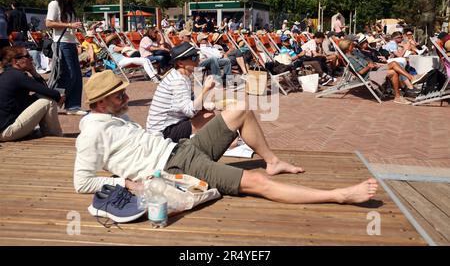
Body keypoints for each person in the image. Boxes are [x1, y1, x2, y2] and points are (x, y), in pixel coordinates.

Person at [74, 69, 379, 206]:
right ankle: (338, 195)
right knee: (257, 182)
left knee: (241, 109)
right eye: (119, 96)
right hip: (176, 169)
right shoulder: (92, 132)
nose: (127, 97)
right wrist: (124, 182)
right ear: (100, 103)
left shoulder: (115, 117)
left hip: (182, 148)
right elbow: (82, 182)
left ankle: (273, 161)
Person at [147, 43, 217, 142]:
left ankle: (202, 138)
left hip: (165, 126)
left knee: (208, 112)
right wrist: (206, 89)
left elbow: (192, 101)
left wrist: (209, 103)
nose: (198, 60)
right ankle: (200, 142)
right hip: (162, 133)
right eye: (193, 58)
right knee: (209, 116)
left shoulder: (182, 76)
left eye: (197, 56)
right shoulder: (178, 81)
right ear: (180, 63)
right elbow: (190, 111)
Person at [0, 46, 64, 142]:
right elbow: (51, 93)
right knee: (47, 101)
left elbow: (43, 91)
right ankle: (55, 136)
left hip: (3, 128)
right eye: (27, 56)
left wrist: (33, 71)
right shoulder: (18, 76)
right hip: (5, 132)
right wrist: (59, 97)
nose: (31, 58)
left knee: (41, 97)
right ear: (15, 61)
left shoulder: (7, 74)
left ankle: (45, 132)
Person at [45, 0, 86, 116]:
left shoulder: (69, 6)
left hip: (70, 42)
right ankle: (51, 100)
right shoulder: (54, 4)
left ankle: (72, 105)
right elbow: (49, 23)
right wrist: (69, 25)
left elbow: (72, 27)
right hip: (61, 43)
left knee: (76, 75)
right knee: (67, 74)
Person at [339, 39, 423, 105]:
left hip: (373, 71)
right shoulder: (350, 58)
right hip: (369, 75)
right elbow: (360, 72)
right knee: (393, 66)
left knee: (394, 68)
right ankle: (410, 80)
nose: (353, 46)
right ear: (347, 47)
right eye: (351, 45)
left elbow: (365, 62)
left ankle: (399, 95)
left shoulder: (353, 54)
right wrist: (369, 66)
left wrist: (372, 64)